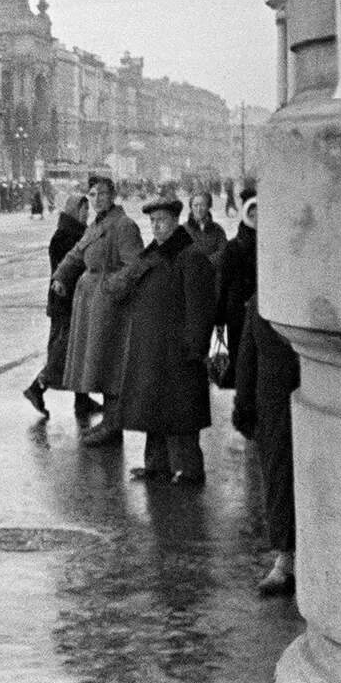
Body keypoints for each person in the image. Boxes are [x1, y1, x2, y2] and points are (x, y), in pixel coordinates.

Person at [104, 197, 218, 484]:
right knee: (154, 409)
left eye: (162, 221)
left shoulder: (190, 256)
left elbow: (199, 306)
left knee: (181, 415)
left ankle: (190, 470)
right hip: (153, 348)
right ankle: (156, 465)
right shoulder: (151, 254)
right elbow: (122, 288)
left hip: (178, 349)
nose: (156, 227)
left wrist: (196, 347)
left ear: (175, 221)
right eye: (152, 222)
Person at [53, 176, 145, 444]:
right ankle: (108, 422)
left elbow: (135, 265)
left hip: (112, 307)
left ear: (113, 195)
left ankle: (113, 425)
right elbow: (76, 253)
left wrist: (110, 286)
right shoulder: (97, 224)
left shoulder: (123, 225)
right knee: (100, 365)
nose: (96, 199)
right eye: (92, 195)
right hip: (93, 306)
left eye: (102, 194)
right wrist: (61, 276)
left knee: (111, 366)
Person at [233, 292, 300, 594]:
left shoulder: (264, 299)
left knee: (280, 477)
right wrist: (244, 405)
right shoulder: (263, 301)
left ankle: (286, 561)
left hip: (277, 398)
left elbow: (247, 358)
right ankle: (287, 559)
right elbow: (248, 357)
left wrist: (244, 406)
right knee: (281, 478)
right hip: (277, 399)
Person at [25, 194, 99, 422]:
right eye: (83, 210)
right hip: (64, 304)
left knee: (79, 350)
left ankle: (82, 399)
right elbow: (66, 271)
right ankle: (37, 386)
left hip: (76, 301)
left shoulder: (78, 234)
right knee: (63, 350)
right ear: (73, 211)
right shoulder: (65, 237)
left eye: (87, 210)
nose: (87, 214)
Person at [214, 195, 260, 389]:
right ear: (245, 214)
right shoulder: (233, 246)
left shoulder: (270, 244)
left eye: (259, 213)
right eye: (251, 213)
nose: (256, 216)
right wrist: (219, 319)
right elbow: (223, 284)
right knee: (239, 355)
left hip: (261, 312)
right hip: (237, 313)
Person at [183, 191, 227, 259]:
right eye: (195, 205)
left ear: (208, 206)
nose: (199, 209)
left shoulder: (217, 230)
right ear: (191, 207)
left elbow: (223, 252)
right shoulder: (183, 229)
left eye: (202, 205)